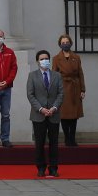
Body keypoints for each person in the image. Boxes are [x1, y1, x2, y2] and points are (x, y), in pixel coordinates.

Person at [27, 49, 63, 178]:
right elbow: (30, 95)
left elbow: (61, 94)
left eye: (46, 58)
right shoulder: (32, 75)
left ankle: (53, 168)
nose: (44, 61)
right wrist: (41, 109)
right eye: (42, 59)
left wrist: (54, 108)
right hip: (38, 115)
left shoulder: (57, 75)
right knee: (39, 143)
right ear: (38, 61)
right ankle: (41, 168)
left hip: (54, 114)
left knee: (54, 143)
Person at [51, 34, 86, 147]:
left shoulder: (76, 57)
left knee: (74, 115)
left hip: (75, 87)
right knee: (64, 114)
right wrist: (54, 91)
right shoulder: (56, 58)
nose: (65, 44)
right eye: (63, 42)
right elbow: (54, 75)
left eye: (67, 42)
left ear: (70, 43)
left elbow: (80, 74)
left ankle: (72, 137)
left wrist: (82, 89)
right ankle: (67, 138)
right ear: (60, 44)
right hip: (63, 88)